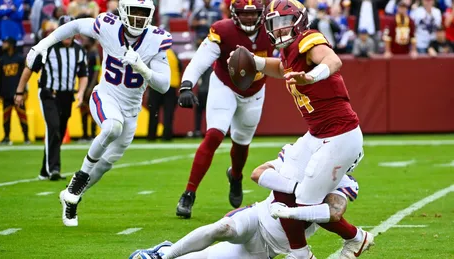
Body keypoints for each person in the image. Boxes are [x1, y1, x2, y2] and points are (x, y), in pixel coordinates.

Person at [231, 0, 374, 257]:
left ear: (299, 21)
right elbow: (280, 67)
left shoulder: (309, 39)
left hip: (340, 135)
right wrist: (255, 61)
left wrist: (312, 76)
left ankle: (353, 238)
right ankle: (329, 230)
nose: (280, 29)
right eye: (275, 24)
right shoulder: (288, 52)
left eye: (285, 23)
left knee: (304, 203)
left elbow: (333, 60)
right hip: (317, 134)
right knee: (275, 179)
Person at [24, 0, 172, 227]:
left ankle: (72, 198)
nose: (139, 18)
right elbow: (73, 27)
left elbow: (164, 85)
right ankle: (77, 181)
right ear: (123, 11)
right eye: (135, 12)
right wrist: (41, 46)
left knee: (105, 164)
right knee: (113, 126)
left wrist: (142, 68)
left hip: (131, 110)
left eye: (144, 13)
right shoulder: (108, 25)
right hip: (105, 96)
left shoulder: (156, 39)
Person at [130, 144, 362, 259]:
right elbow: (258, 173)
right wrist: (297, 188)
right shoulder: (298, 159)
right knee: (222, 228)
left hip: (271, 248)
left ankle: (166, 248)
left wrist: (293, 212)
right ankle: (162, 256)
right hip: (258, 218)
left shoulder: (345, 183)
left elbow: (334, 213)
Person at [175, 0, 274, 219]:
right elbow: (200, 60)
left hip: (255, 92)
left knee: (241, 143)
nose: (249, 18)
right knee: (213, 136)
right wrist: (186, 84)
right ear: (233, 13)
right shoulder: (222, 30)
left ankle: (236, 176)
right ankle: (189, 193)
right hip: (225, 85)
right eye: (243, 14)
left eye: (253, 14)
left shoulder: (272, 29)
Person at [15, 16, 88, 181]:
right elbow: (29, 69)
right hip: (49, 93)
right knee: (53, 128)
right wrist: (19, 91)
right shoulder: (47, 47)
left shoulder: (79, 50)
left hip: (67, 95)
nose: (68, 35)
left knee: (59, 133)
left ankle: (44, 170)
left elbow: (83, 75)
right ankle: (54, 169)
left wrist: (81, 93)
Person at [0, 37, 29, 145]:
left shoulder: (20, 59)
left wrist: (25, 91)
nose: (3, 44)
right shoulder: (2, 60)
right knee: (5, 117)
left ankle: (26, 137)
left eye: (5, 43)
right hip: (6, 93)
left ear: (11, 44)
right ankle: (6, 137)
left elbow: (25, 76)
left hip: (18, 94)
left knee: (23, 116)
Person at [147, 48, 181, 141]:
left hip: (156, 85)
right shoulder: (173, 53)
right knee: (168, 113)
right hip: (171, 85)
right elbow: (180, 68)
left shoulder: (153, 52)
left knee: (154, 112)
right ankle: (167, 136)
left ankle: (151, 136)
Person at [79, 34, 100, 142]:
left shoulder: (94, 53)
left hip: (92, 85)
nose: (83, 41)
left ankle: (93, 134)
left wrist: (91, 87)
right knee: (83, 110)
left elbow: (97, 70)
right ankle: (84, 134)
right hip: (84, 85)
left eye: (86, 39)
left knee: (92, 111)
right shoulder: (83, 52)